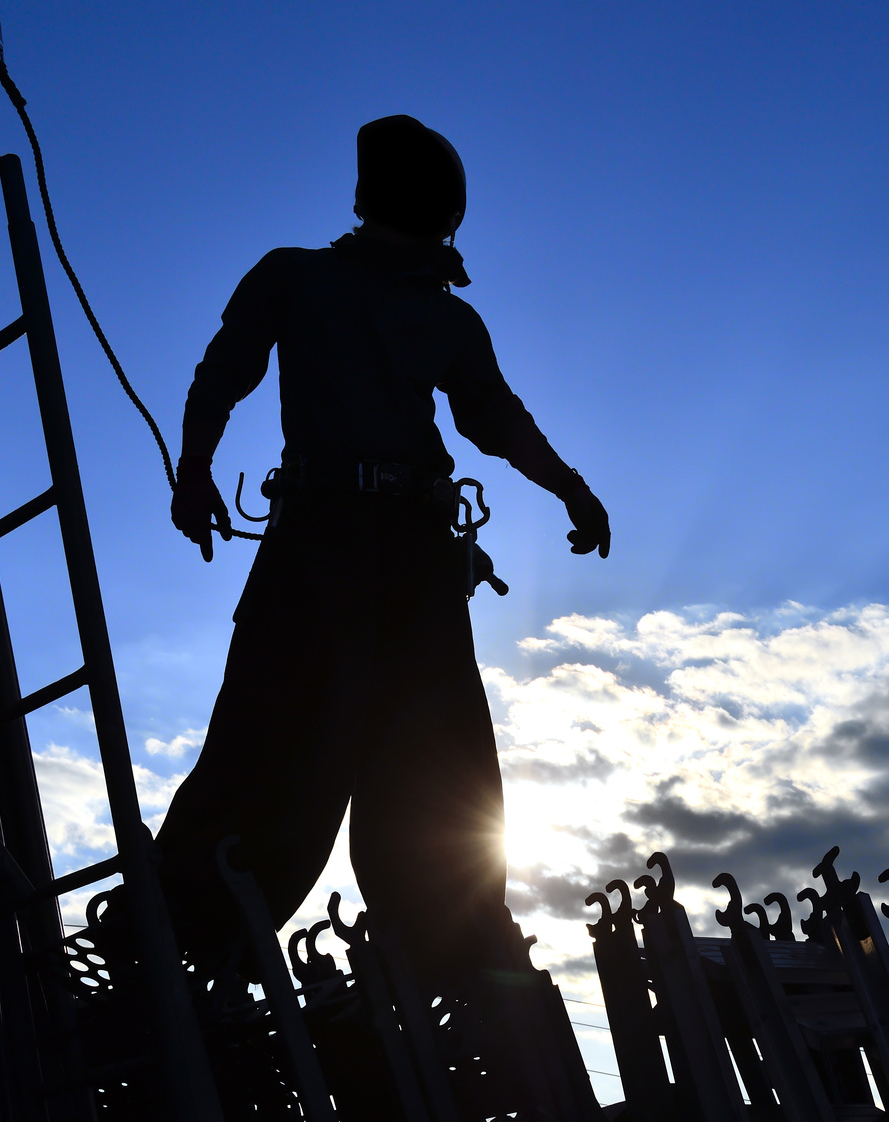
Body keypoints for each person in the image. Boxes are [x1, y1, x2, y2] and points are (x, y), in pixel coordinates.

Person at [155, 115, 610, 982]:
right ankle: (189, 934)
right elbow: (227, 369)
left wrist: (570, 487)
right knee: (281, 735)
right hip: (323, 545)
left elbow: (495, 418)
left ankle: (448, 959)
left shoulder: (445, 319)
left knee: (433, 752)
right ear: (445, 215)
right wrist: (192, 466)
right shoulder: (299, 278)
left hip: (409, 555)